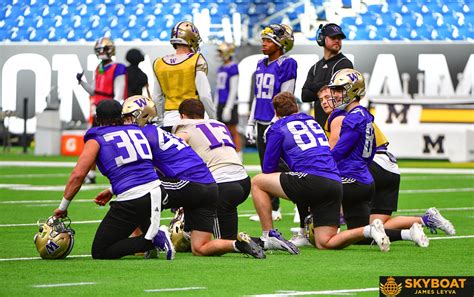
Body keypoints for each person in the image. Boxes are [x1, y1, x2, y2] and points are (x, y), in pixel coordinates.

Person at [94, 96, 263, 258]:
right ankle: (238, 244)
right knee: (200, 248)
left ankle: (149, 239)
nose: (124, 121)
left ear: (141, 115)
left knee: (140, 193)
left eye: (128, 117)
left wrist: (113, 189)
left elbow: (138, 174)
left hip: (191, 182)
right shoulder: (158, 132)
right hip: (211, 185)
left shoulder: (143, 135)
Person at [251, 91, 391, 252]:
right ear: (296, 107)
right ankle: (368, 230)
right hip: (335, 181)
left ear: (275, 112)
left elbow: (268, 167)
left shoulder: (277, 128)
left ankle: (268, 235)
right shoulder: (313, 121)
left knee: (258, 182)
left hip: (312, 181)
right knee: (325, 242)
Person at [317, 85, 455, 235]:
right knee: (378, 224)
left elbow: (335, 153)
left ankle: (330, 221)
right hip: (389, 167)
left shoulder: (338, 116)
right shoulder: (356, 113)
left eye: (328, 96)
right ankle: (426, 219)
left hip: (371, 164)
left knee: (329, 186)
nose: (324, 102)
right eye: (321, 99)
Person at [52, 100, 173, 260]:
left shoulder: (97, 137)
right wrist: (113, 190)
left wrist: (63, 207)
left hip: (135, 198)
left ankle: (153, 240)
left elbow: (78, 175)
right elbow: (137, 167)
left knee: (101, 250)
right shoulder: (137, 131)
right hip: (157, 190)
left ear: (98, 118)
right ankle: (150, 238)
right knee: (139, 208)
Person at [327, 70, 429, 247]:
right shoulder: (364, 115)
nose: (334, 94)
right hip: (363, 178)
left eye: (339, 90)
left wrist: (318, 164)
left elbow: (339, 151)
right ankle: (408, 233)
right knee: (360, 234)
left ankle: (310, 232)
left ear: (353, 90)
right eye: (334, 90)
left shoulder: (352, 119)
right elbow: (371, 150)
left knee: (315, 189)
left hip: (352, 178)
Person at [174, 99, 253, 242]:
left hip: (222, 185)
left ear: (183, 116)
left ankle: (188, 232)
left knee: (220, 243)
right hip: (243, 180)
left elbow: (174, 147)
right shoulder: (219, 124)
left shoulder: (185, 128)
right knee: (231, 240)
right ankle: (266, 242)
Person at [245, 24, 297, 222]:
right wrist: (251, 122)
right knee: (266, 167)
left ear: (280, 43)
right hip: (261, 121)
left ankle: (301, 205)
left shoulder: (287, 63)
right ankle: (273, 209)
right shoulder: (260, 63)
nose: (264, 44)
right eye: (263, 40)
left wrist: (276, 122)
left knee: (285, 166)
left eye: (268, 41)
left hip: (277, 123)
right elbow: (257, 96)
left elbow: (286, 97)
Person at [76, 37, 128, 184]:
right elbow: (95, 91)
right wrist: (81, 82)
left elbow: (118, 93)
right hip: (99, 111)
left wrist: (115, 111)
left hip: (111, 111)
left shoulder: (118, 68)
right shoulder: (99, 68)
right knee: (92, 143)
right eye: (98, 50)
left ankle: (124, 174)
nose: (100, 52)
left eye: (103, 49)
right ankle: (91, 174)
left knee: (116, 144)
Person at [152, 21, 216, 132]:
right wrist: (214, 119)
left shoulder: (159, 63)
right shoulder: (196, 60)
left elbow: (157, 98)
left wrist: (160, 119)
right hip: (194, 117)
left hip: (169, 119)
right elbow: (205, 95)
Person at [301, 23, 353, 128]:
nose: (337, 40)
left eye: (340, 38)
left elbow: (339, 92)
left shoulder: (345, 63)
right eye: (333, 37)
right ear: (322, 39)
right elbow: (305, 96)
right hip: (320, 125)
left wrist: (313, 86)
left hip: (339, 125)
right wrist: (328, 86)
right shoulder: (315, 67)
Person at [215, 42, 242, 158]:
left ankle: (238, 155)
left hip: (229, 103)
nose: (220, 54)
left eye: (221, 52)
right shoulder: (221, 68)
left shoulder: (233, 67)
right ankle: (226, 154)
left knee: (233, 130)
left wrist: (229, 107)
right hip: (220, 102)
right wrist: (215, 104)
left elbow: (233, 89)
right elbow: (218, 88)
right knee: (221, 130)